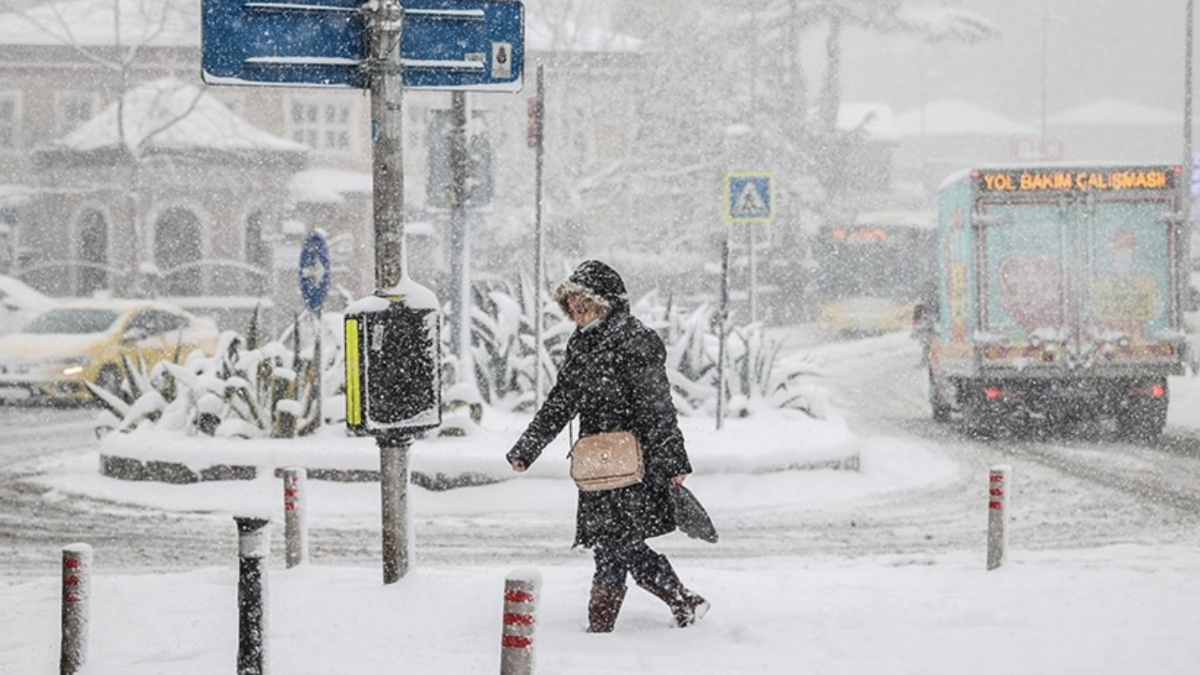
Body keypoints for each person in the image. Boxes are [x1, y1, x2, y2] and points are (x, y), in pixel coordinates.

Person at [506, 260, 709, 633]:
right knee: (613, 542)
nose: (577, 313)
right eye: (572, 306)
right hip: (598, 463)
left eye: (585, 305)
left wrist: (673, 460)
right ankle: (680, 602)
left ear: (607, 303)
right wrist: (527, 448)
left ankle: (604, 628)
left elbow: (657, 406)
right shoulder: (581, 344)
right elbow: (562, 401)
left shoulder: (636, 340)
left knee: (617, 543)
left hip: (635, 462)